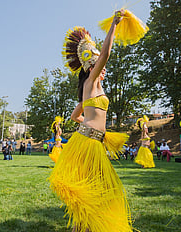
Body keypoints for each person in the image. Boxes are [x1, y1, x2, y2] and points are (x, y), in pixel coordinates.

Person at [49, 11, 133, 231]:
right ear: (90, 67)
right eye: (98, 65)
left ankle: (84, 227)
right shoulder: (91, 82)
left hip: (93, 142)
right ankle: (85, 227)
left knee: (100, 190)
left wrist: (89, 126)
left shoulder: (91, 91)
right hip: (87, 144)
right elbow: (105, 54)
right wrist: (113, 26)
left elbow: (75, 116)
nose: (103, 67)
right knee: (98, 189)